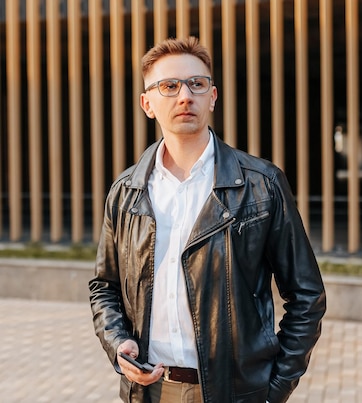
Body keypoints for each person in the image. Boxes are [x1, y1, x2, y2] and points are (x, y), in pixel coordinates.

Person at [89, 36, 326, 403]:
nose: (185, 96)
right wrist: (118, 344)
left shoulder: (261, 184)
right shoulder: (126, 191)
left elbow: (307, 295)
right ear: (147, 104)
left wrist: (274, 389)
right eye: (169, 86)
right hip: (148, 392)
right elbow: (105, 287)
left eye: (197, 84)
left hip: (236, 393)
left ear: (212, 97)